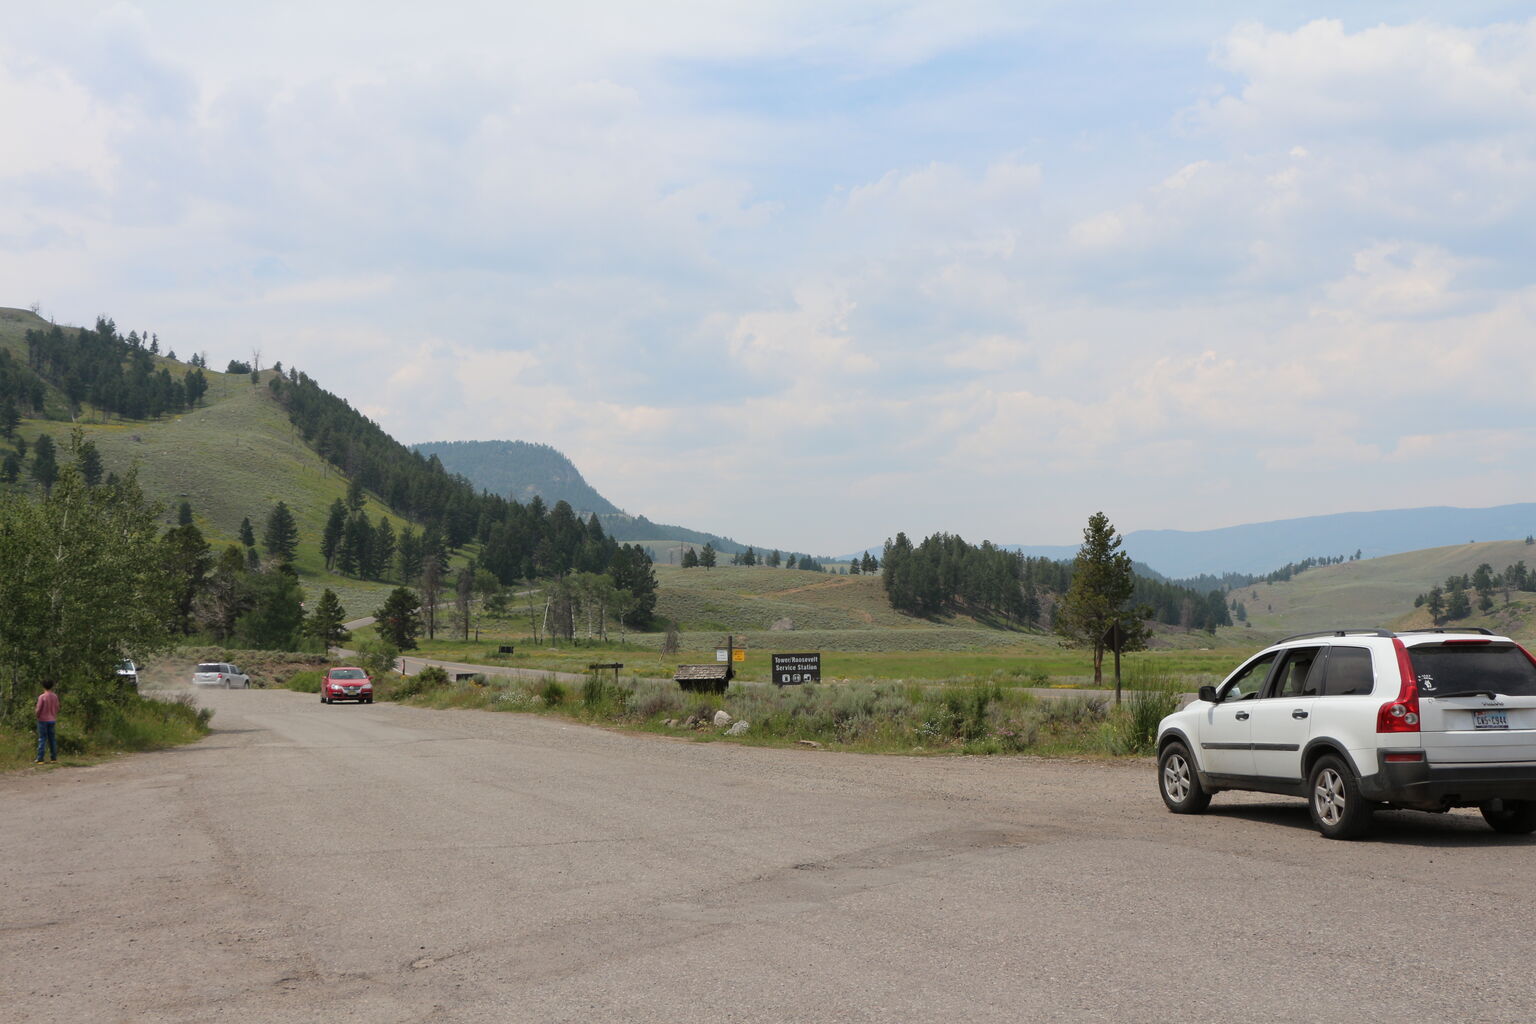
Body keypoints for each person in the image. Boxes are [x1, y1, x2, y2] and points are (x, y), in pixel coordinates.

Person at [35, 681, 59, 764]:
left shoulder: (42, 697)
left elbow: (38, 709)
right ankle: (53, 758)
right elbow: (57, 707)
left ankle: (40, 758)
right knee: (52, 739)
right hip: (52, 719)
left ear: (43, 686)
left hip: (42, 720)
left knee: (42, 739)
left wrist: (37, 716)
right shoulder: (55, 696)